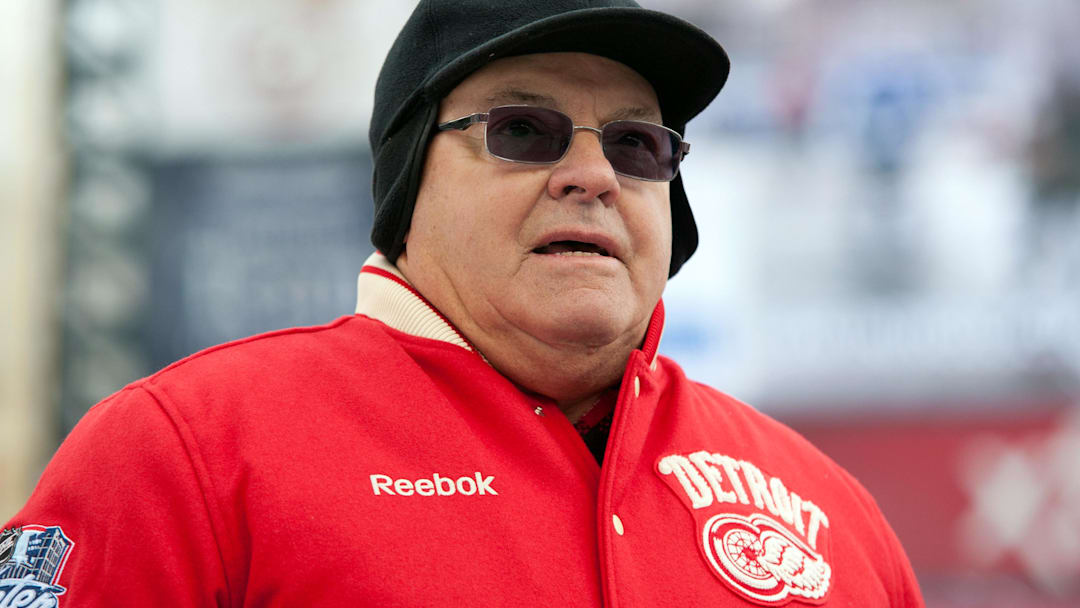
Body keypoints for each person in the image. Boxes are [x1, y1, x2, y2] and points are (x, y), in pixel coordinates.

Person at [2, 0, 925, 605]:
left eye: (639, 145)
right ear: (408, 181)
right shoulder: (184, 452)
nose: (594, 175)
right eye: (525, 131)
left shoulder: (830, 508)